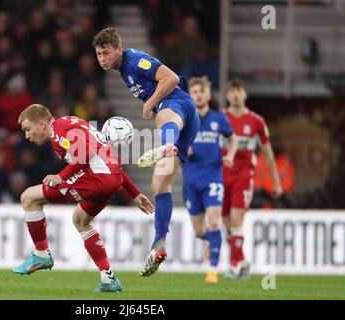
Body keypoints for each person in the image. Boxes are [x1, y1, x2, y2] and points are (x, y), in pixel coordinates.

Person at [93, 27, 200, 277]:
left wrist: (150, 103)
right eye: (98, 54)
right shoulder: (122, 70)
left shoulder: (134, 60)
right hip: (185, 121)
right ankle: (159, 244)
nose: (102, 59)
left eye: (106, 53)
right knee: (159, 185)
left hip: (178, 104)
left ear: (118, 50)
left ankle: (168, 143)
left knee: (164, 116)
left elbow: (171, 78)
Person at [13, 104, 154, 293]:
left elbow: (86, 154)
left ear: (42, 125)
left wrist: (60, 176)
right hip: (111, 179)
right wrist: (134, 192)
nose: (27, 136)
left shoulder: (59, 130)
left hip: (96, 179)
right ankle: (108, 278)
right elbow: (108, 157)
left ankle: (41, 254)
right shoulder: (73, 124)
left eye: (28, 129)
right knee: (80, 220)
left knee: (29, 198)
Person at [222, 79, 283, 279]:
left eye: (239, 90)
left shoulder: (256, 122)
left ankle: (233, 266)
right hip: (221, 176)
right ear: (227, 95)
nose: (236, 94)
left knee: (237, 218)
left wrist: (276, 181)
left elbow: (267, 153)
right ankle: (242, 261)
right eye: (232, 91)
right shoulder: (220, 119)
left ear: (245, 94)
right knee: (227, 224)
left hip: (244, 175)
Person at [182, 77, 237, 284]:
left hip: (213, 176)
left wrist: (230, 155)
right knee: (199, 230)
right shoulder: (185, 119)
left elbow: (233, 139)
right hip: (191, 180)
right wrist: (183, 148)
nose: (198, 94)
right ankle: (212, 241)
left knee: (214, 221)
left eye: (201, 91)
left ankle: (212, 270)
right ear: (190, 96)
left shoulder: (219, 119)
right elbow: (173, 144)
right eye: (194, 91)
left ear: (208, 95)